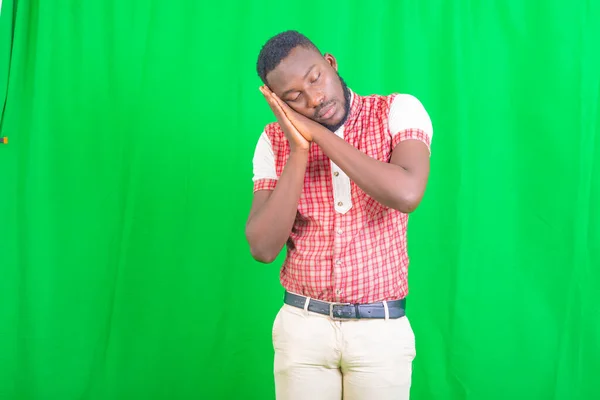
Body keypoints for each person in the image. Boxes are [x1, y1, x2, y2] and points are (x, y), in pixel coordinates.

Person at [245, 30, 433, 400]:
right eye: (294, 97)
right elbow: (263, 248)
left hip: (380, 332)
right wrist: (299, 150)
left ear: (330, 63)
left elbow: (406, 193)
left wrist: (317, 133)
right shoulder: (273, 140)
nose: (314, 98)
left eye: (315, 78)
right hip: (302, 330)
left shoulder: (396, 110)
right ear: (279, 104)